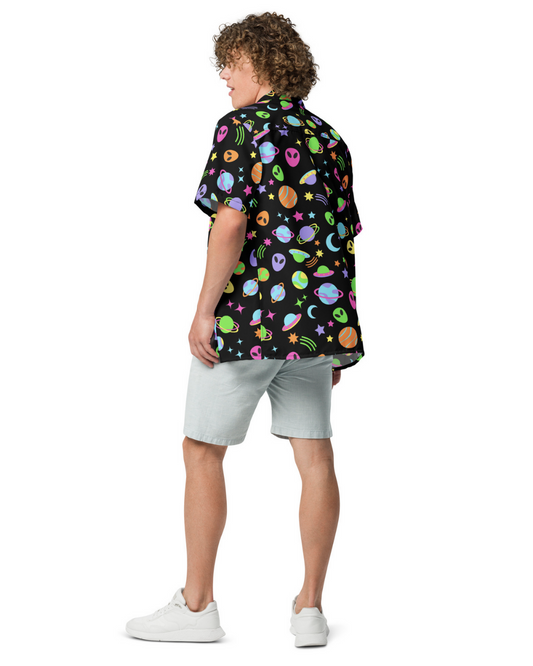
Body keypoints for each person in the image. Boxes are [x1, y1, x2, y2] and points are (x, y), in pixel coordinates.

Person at [125, 11, 365, 647]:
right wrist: (338, 339)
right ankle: (310, 609)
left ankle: (197, 607)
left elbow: (229, 223)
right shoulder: (330, 138)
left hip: (249, 322)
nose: (224, 76)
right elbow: (341, 240)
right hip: (316, 324)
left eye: (231, 63)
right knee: (315, 455)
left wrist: (205, 310)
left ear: (260, 63)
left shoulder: (243, 128)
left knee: (202, 449)